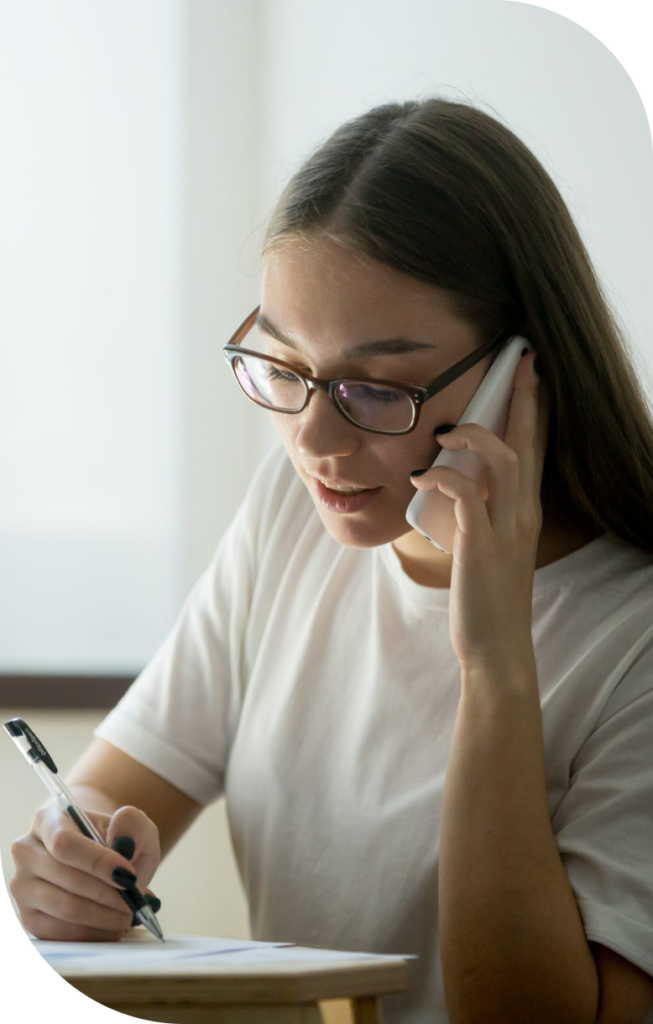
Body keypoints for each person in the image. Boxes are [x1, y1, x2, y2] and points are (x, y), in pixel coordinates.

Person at [10, 97, 653, 1024]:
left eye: (374, 387)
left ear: (522, 374)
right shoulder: (292, 516)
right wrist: (62, 867)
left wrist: (495, 666)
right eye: (285, 366)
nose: (312, 440)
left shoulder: (631, 630)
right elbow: (102, 802)